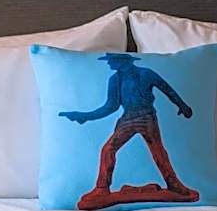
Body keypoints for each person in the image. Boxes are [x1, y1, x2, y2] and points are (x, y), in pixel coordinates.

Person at [61, 53, 194, 197]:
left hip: (146, 117)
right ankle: (102, 188)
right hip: (127, 118)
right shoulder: (114, 80)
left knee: (158, 151)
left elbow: (167, 89)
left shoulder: (146, 74)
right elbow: (111, 106)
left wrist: (182, 106)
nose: (109, 64)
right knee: (108, 149)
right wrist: (85, 116)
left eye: (112, 60)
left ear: (123, 61)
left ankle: (174, 185)